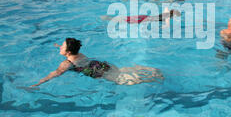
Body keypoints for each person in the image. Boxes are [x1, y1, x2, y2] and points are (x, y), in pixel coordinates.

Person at [30, 38, 164, 87]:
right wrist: (58, 46)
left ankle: (152, 79)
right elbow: (70, 49)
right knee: (121, 71)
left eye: (62, 46)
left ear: (68, 52)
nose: (60, 47)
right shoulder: (78, 53)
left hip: (97, 72)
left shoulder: (67, 63)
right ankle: (151, 71)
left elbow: (55, 73)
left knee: (123, 80)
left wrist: (38, 83)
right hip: (100, 64)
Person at [101, 7, 181, 25]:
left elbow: (166, 8)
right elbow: (167, 26)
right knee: (128, 21)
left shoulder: (166, 11)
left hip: (145, 16)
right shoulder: (167, 18)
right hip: (145, 20)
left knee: (128, 19)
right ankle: (110, 19)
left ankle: (108, 18)